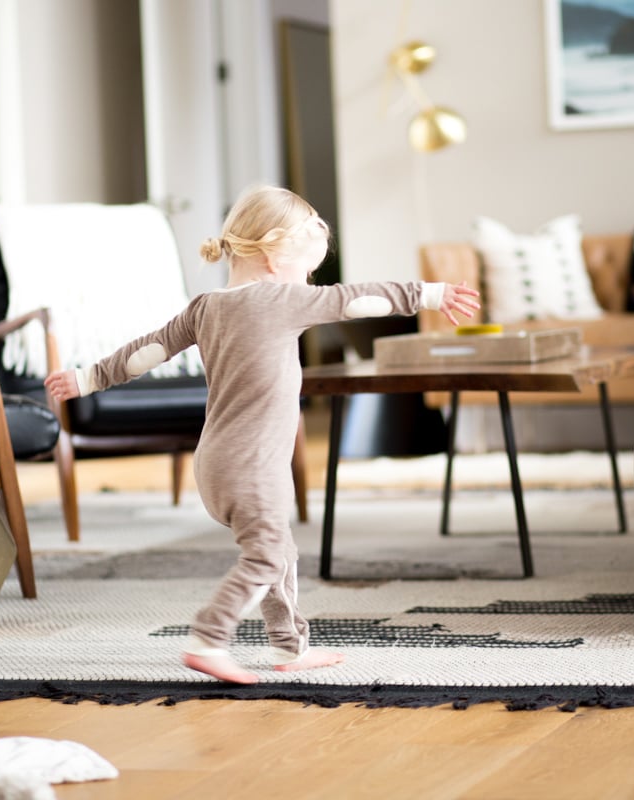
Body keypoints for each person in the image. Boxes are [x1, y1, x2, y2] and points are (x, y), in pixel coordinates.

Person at [45, 185, 480, 684]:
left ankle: (290, 646)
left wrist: (89, 378)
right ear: (274, 257)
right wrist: (430, 294)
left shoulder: (205, 307)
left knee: (277, 550)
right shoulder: (279, 299)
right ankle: (210, 637)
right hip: (251, 463)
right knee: (269, 552)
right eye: (306, 270)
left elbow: (150, 351)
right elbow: (354, 301)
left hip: (217, 461)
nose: (309, 283)